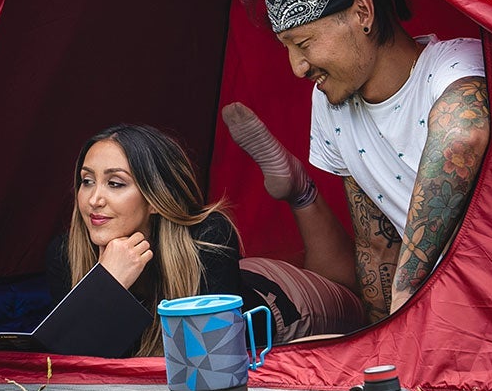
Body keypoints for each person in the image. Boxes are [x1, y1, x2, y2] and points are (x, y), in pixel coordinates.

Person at [224, 0, 489, 325]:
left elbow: (461, 137)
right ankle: (301, 192)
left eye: (305, 43)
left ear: (362, 13)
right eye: (288, 50)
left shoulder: (456, 67)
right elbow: (375, 247)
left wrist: (407, 289)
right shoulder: (332, 105)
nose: (297, 68)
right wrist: (383, 333)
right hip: (440, 314)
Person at [47, 124, 361, 357]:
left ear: (157, 199)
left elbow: (208, 358)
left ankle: (299, 188)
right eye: (87, 181)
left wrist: (106, 295)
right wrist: (106, 285)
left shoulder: (209, 235)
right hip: (237, 276)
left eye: (115, 183)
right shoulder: (67, 253)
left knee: (355, 298)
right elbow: (72, 366)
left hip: (286, 303)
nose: (93, 199)